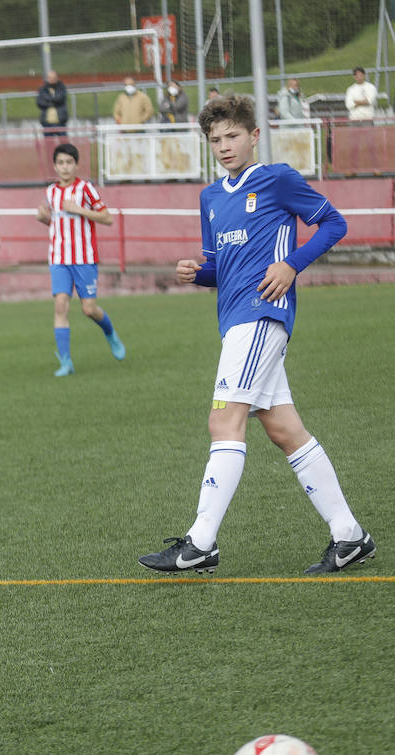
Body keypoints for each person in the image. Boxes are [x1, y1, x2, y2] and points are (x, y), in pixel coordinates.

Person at [138, 94, 373, 576]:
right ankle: (350, 536)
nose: (224, 146)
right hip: (235, 322)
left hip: (263, 316)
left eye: (232, 136)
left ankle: (200, 543)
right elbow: (220, 269)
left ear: (253, 136)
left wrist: (291, 264)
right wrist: (196, 273)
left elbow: (334, 222)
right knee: (285, 430)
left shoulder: (277, 179)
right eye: (215, 139)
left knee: (222, 423)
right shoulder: (210, 198)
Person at [34, 143, 123, 377]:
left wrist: (79, 210)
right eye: (60, 163)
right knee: (60, 305)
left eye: (69, 163)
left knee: (89, 309)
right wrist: (44, 218)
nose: (64, 167)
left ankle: (110, 333)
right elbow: (55, 221)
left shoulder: (85, 189)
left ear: (76, 164)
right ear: (55, 166)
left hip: (84, 258)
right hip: (58, 258)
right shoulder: (50, 192)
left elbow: (106, 218)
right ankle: (66, 362)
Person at [36, 70, 68, 136]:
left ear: (56, 78)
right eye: (49, 77)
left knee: (64, 143)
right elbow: (40, 102)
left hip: (60, 121)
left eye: (53, 78)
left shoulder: (61, 87)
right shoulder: (42, 89)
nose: (51, 79)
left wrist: (48, 100)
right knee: (49, 144)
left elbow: (60, 99)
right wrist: (53, 102)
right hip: (47, 123)